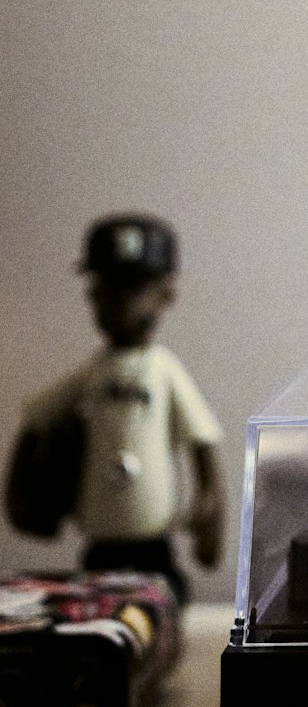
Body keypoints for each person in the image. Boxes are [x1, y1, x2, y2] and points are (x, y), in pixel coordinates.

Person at [4, 215, 223, 604]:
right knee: (93, 605)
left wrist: (210, 510)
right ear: (93, 295)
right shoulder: (91, 374)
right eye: (108, 289)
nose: (121, 303)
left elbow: (203, 440)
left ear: (165, 294)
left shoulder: (165, 371)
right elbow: (37, 417)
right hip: (100, 545)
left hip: (155, 542)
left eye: (135, 288)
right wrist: (21, 493)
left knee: (160, 602)